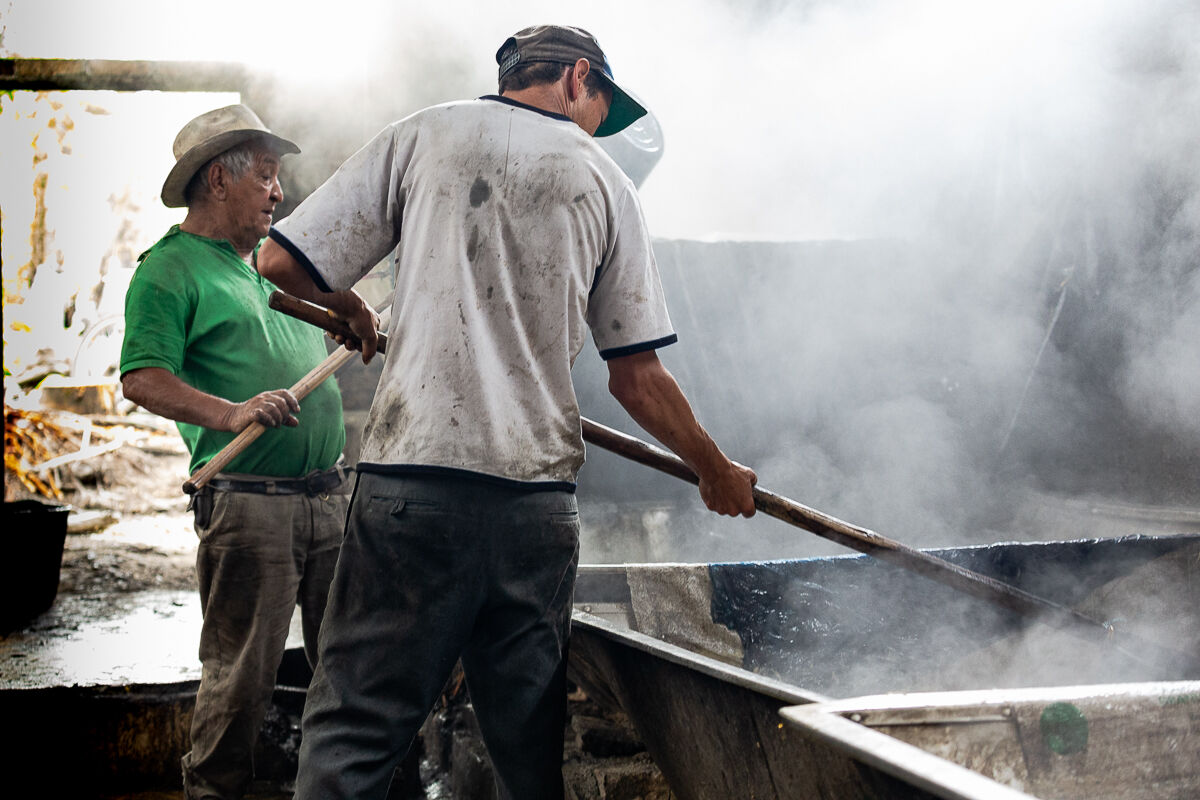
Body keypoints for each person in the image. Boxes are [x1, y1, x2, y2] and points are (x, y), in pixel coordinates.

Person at [256, 24, 758, 799]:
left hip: (411, 489)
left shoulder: (424, 134)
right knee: (527, 753)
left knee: (354, 733)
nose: (597, 127)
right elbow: (639, 380)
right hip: (533, 507)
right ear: (575, 78)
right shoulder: (605, 183)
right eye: (600, 107)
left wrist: (351, 304)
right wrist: (715, 470)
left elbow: (280, 261)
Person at [119, 104, 355, 800]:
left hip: (326, 497)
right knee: (240, 684)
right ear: (219, 180)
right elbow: (142, 378)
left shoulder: (260, 271)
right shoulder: (168, 270)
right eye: (268, 175)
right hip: (250, 507)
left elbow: (318, 325)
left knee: (346, 672)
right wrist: (232, 413)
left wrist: (352, 319)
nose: (279, 192)